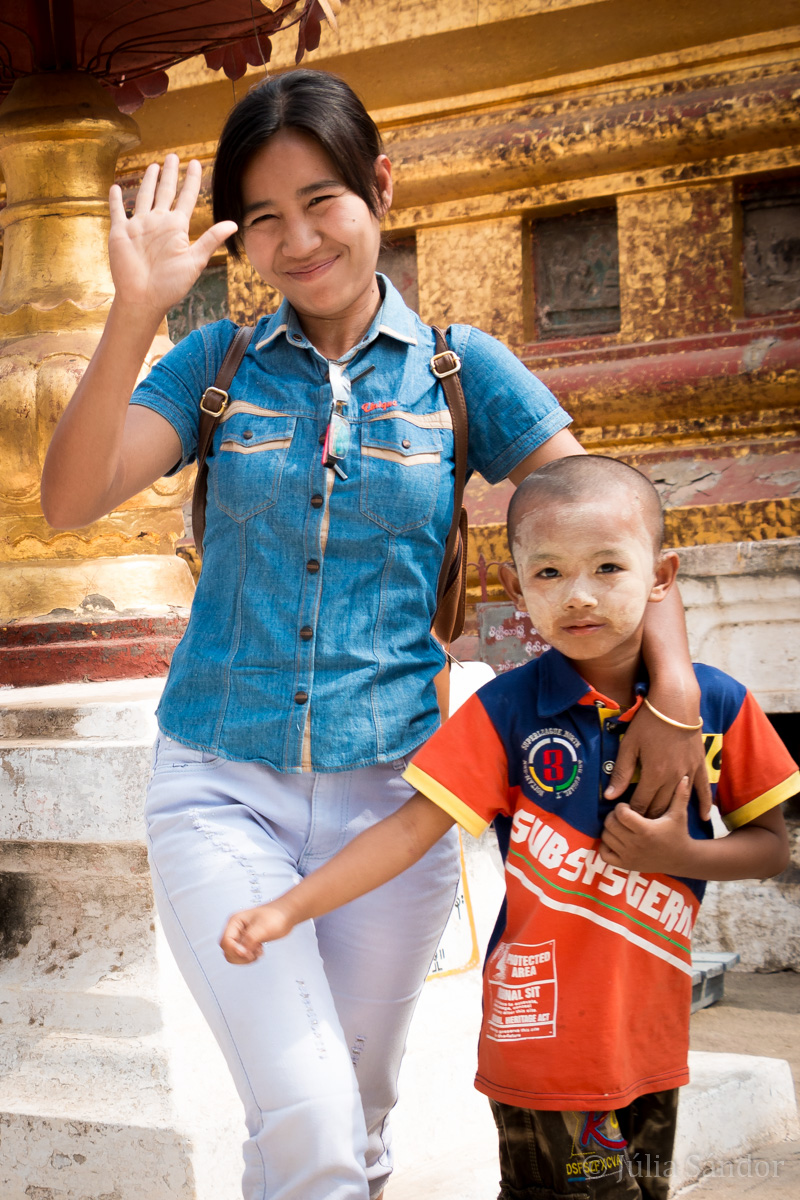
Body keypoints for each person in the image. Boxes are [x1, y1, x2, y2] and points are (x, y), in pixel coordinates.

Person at [41, 67, 712, 1200]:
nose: (297, 240)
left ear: (378, 190)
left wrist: (674, 697)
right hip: (220, 787)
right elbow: (70, 497)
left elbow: (615, 526)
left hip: (398, 808)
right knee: (304, 1115)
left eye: (321, 201)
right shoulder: (215, 369)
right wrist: (136, 310)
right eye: (262, 218)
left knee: (354, 1121)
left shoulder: (461, 374)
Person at [220, 455, 798, 1200]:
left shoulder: (716, 706)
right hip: (541, 1039)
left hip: (653, 1041)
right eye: (549, 573)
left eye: (608, 568)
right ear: (512, 586)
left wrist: (679, 853)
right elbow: (409, 830)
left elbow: (771, 847)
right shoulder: (506, 712)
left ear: (662, 576)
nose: (579, 595)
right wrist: (286, 909)